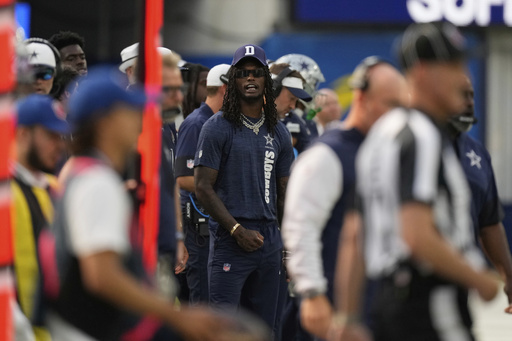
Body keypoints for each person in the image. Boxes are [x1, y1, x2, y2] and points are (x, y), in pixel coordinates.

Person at [329, 21, 500, 341]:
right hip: (430, 299)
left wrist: (348, 316)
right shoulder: (421, 136)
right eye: (452, 65)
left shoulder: (382, 135)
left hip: (389, 300)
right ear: (423, 71)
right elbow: (416, 234)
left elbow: (354, 233)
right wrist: (480, 279)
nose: (464, 77)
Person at [45, 66, 229, 341]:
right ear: (105, 121)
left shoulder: (85, 172)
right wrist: (175, 315)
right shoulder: (97, 182)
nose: (139, 120)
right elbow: (102, 277)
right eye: (130, 112)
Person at [282, 57, 408, 340]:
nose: (396, 115)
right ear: (362, 97)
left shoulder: (386, 151)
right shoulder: (328, 154)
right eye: (389, 104)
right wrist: (312, 291)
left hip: (380, 299)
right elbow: (301, 227)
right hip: (335, 302)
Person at [194, 44, 294, 329]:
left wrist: (286, 249)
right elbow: (202, 187)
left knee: (267, 330)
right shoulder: (217, 126)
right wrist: (236, 230)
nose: (250, 79)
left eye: (256, 73)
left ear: (266, 80)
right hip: (231, 239)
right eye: (243, 73)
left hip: (270, 240)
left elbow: (285, 194)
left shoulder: (279, 131)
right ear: (233, 81)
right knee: (224, 329)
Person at [448, 76, 512, 310]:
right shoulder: (413, 143)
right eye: (461, 94)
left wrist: (508, 274)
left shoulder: (477, 153)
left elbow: (490, 222)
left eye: (472, 95)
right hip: (410, 287)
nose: (469, 102)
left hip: (459, 288)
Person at [11, 94, 69, 341]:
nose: (60, 145)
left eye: (62, 137)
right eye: (51, 136)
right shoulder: (6, 193)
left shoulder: (54, 187)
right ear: (22, 134)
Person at [175, 63, 230, 305]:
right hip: (199, 228)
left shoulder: (221, 123)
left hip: (214, 224)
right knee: (203, 299)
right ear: (225, 90)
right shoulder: (196, 122)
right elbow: (184, 178)